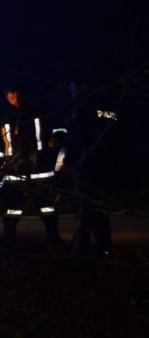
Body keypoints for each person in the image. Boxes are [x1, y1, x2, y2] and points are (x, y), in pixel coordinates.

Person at [0, 87, 64, 248]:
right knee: (12, 209)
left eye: (18, 93)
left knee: (47, 207)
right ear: (6, 96)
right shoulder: (4, 116)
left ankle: (54, 239)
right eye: (11, 94)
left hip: (41, 168)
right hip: (14, 171)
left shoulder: (41, 110)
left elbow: (60, 127)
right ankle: (9, 241)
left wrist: (56, 138)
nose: (15, 97)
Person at [62, 78, 117, 255]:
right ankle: (99, 243)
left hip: (88, 162)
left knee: (86, 205)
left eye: (75, 86)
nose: (72, 91)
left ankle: (85, 244)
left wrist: (69, 161)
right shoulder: (91, 105)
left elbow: (77, 137)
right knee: (94, 205)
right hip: (95, 161)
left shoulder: (86, 106)